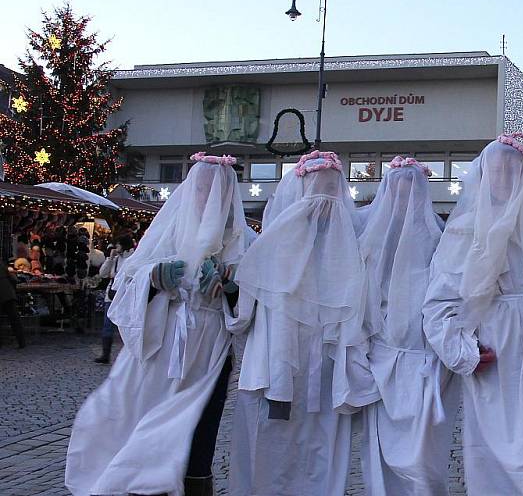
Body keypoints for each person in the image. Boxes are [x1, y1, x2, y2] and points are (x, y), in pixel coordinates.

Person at [65, 152, 249, 496]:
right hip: (162, 349)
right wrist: (154, 280)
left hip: (210, 356)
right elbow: (124, 286)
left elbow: (253, 305)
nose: (211, 199)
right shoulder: (166, 234)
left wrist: (232, 289)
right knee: (148, 426)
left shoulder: (242, 243)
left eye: (220, 192)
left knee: (200, 435)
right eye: (204, 190)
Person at [423, 133, 523, 495]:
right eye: (497, 171)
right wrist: (463, 352)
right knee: (489, 450)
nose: (504, 179)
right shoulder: (464, 230)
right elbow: (438, 303)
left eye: (514, 171)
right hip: (492, 348)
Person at [229, 151, 376, 496]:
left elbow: (358, 317)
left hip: (325, 380)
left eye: (331, 195)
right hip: (275, 377)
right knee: (271, 454)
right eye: (317, 195)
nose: (324, 207)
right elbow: (247, 315)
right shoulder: (274, 250)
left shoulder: (347, 252)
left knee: (321, 456)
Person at [357, 156, 456, 495]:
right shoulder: (371, 239)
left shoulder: (438, 238)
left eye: (411, 192)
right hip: (382, 358)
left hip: (423, 359)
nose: (404, 199)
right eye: (398, 192)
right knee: (382, 451)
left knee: (421, 454)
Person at [93, 234, 135, 364]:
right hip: (111, 295)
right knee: (107, 325)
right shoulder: (115, 259)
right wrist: (110, 259)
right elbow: (103, 273)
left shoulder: (133, 258)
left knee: (127, 325)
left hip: (125, 296)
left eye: (117, 244)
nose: (115, 247)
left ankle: (130, 355)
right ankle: (106, 354)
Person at [0, 262, 25, 348]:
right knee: (15, 320)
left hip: (4, 294)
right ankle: (21, 342)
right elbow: (12, 279)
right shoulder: (2, 264)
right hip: (8, 294)